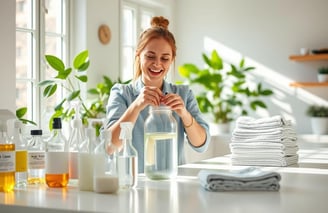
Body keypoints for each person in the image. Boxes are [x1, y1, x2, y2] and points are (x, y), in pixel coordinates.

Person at [105, 16, 210, 173]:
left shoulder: (183, 94)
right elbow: (110, 147)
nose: (157, 64)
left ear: (172, 60)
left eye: (165, 58)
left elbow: (202, 145)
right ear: (138, 54)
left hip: (175, 184)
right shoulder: (122, 93)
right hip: (134, 185)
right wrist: (136, 106)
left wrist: (184, 114)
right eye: (150, 56)